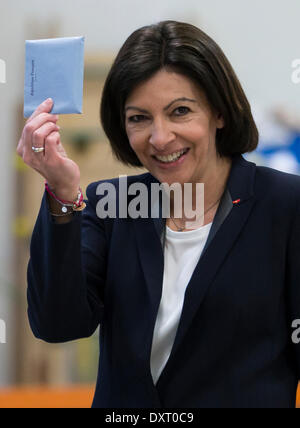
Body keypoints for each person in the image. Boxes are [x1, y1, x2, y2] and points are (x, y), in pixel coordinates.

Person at [17, 20, 300, 408]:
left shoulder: (285, 205)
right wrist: (62, 195)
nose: (160, 137)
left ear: (219, 112)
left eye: (180, 111)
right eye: (139, 118)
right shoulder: (109, 205)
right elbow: (57, 323)